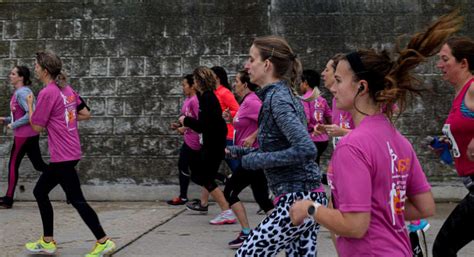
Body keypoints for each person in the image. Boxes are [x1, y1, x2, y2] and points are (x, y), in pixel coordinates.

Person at [289, 11, 462, 257]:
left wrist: (310, 208)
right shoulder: (399, 140)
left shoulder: (352, 146)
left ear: (361, 87)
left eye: (338, 80)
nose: (334, 89)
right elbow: (425, 206)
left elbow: (355, 226)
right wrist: (379, 209)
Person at [226, 35, 326, 257]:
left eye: (252, 59)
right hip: (305, 195)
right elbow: (279, 148)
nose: (246, 65)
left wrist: (254, 160)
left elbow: (306, 149)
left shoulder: (278, 100)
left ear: (267, 64)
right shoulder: (279, 96)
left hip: (297, 199)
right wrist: (239, 151)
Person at [24, 51, 115, 256]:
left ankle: (103, 241)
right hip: (71, 152)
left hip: (63, 155)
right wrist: (63, 122)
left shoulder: (48, 92)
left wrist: (30, 105)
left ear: (45, 70)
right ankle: (47, 241)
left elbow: (37, 127)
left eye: (36, 65)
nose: (35, 68)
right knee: (41, 192)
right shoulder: (66, 88)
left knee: (76, 199)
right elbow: (85, 113)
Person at [432, 36, 474, 257]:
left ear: (463, 63)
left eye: (445, 59)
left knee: (442, 248)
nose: (439, 65)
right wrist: (448, 146)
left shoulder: (473, 87)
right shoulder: (460, 94)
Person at [179, 66, 236, 225]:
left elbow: (203, 125)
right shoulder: (205, 96)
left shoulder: (208, 98)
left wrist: (186, 120)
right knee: (202, 175)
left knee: (203, 176)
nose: (194, 82)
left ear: (200, 81)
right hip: (212, 142)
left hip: (214, 143)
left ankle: (226, 210)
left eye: (195, 80)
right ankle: (226, 209)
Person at [223, 70, 274, 249]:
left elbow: (270, 120)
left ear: (245, 84)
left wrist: (253, 136)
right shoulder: (244, 102)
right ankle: (285, 231)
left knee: (229, 191)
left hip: (252, 156)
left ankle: (246, 233)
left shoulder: (252, 101)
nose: (234, 84)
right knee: (262, 198)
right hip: (248, 156)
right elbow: (243, 124)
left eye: (237, 81)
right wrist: (230, 119)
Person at [0, 66, 47, 209]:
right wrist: (7, 120)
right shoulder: (20, 93)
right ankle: (68, 179)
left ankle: (8, 199)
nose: (10, 75)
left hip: (23, 136)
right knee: (39, 165)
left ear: (21, 77)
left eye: (13, 74)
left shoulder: (22, 93)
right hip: (29, 135)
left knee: (13, 164)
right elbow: (19, 115)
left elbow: (30, 115)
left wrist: (13, 125)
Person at [167, 75, 201, 205]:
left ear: (192, 86)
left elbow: (200, 121)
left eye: (184, 85)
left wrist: (185, 127)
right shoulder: (188, 100)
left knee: (184, 165)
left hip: (194, 141)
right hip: (188, 139)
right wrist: (179, 126)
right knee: (197, 172)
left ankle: (183, 196)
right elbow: (188, 118)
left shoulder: (195, 100)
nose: (183, 87)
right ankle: (224, 179)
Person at [299, 69, 331, 165]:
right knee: (315, 164)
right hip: (323, 140)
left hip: (311, 139)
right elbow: (330, 118)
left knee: (307, 167)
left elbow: (306, 119)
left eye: (300, 82)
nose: (299, 85)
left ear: (305, 83)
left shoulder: (304, 99)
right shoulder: (322, 99)